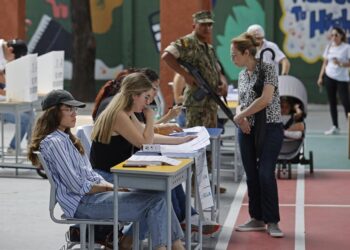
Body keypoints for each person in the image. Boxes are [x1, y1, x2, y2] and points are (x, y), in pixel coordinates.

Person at [27, 89, 185, 250]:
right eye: (68, 109)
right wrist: (112, 187)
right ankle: (169, 246)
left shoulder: (66, 139)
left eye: (74, 109)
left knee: (159, 196)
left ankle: (164, 245)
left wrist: (112, 187)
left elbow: (89, 175)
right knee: (156, 201)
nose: (74, 114)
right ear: (53, 113)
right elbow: (77, 186)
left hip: (93, 197)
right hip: (83, 204)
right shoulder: (54, 143)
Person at [90, 72, 220, 235]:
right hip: (107, 176)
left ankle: (183, 223)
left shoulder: (126, 112)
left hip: (120, 171)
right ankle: (150, 236)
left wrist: (181, 140)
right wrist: (150, 117)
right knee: (159, 193)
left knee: (166, 183)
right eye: (146, 97)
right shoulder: (119, 115)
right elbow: (144, 142)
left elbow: (147, 134)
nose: (148, 102)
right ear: (134, 95)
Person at [231, 32, 284, 237]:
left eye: (235, 54)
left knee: (265, 173)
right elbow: (239, 103)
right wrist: (240, 118)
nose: (232, 59)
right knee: (251, 175)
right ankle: (257, 218)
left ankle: (273, 221)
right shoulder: (243, 75)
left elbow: (266, 99)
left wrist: (241, 115)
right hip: (246, 130)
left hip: (270, 128)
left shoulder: (268, 69)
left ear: (247, 52)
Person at [162, 10, 226, 129]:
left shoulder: (209, 48)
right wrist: (186, 75)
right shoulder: (187, 42)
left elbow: (216, 69)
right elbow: (167, 56)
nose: (206, 28)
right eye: (202, 24)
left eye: (209, 25)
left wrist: (223, 82)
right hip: (196, 104)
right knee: (195, 140)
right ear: (194, 26)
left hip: (210, 102)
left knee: (210, 140)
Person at [93, 68, 182, 136]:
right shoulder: (120, 108)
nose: (155, 93)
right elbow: (144, 137)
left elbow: (143, 130)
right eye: (153, 88)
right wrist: (164, 119)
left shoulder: (129, 105)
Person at [0, 39, 33, 154]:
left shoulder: (7, 61)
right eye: (16, 56)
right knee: (24, 119)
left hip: (5, 104)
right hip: (2, 106)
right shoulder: (2, 60)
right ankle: (14, 147)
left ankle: (31, 144)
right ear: (9, 50)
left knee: (31, 112)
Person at [317, 27, 350, 135]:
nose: (334, 37)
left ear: (341, 36)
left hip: (342, 79)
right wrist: (321, 77)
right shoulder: (329, 47)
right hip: (329, 77)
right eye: (332, 35)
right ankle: (335, 126)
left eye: (336, 35)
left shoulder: (347, 47)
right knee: (332, 102)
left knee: (346, 102)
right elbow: (325, 62)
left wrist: (341, 64)